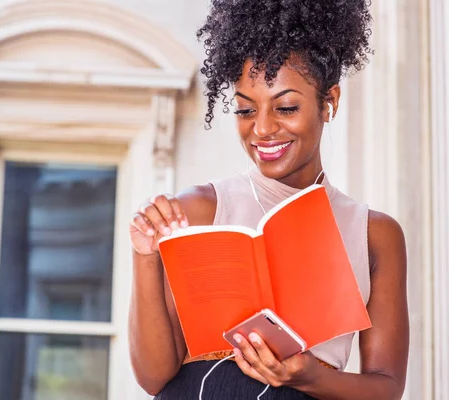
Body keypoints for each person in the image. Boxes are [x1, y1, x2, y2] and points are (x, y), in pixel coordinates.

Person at [127, 0, 409, 399]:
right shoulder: (200, 209)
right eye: (245, 110)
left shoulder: (375, 234)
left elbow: (387, 388)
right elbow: (154, 377)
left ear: (330, 101)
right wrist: (145, 256)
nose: (262, 129)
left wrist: (309, 377)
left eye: (287, 107)